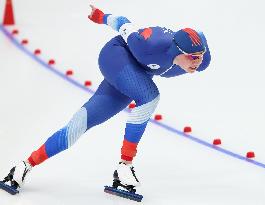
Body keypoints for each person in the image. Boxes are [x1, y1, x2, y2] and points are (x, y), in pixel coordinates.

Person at [2, 5, 211, 191]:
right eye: (193, 57)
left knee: (77, 126)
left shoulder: (200, 58)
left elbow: (198, 41)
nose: (197, 61)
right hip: (116, 57)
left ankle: (24, 165)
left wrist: (199, 53)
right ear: (178, 50)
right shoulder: (149, 45)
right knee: (149, 97)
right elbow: (123, 24)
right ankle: (125, 165)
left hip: (137, 74)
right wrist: (101, 16)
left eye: (200, 55)